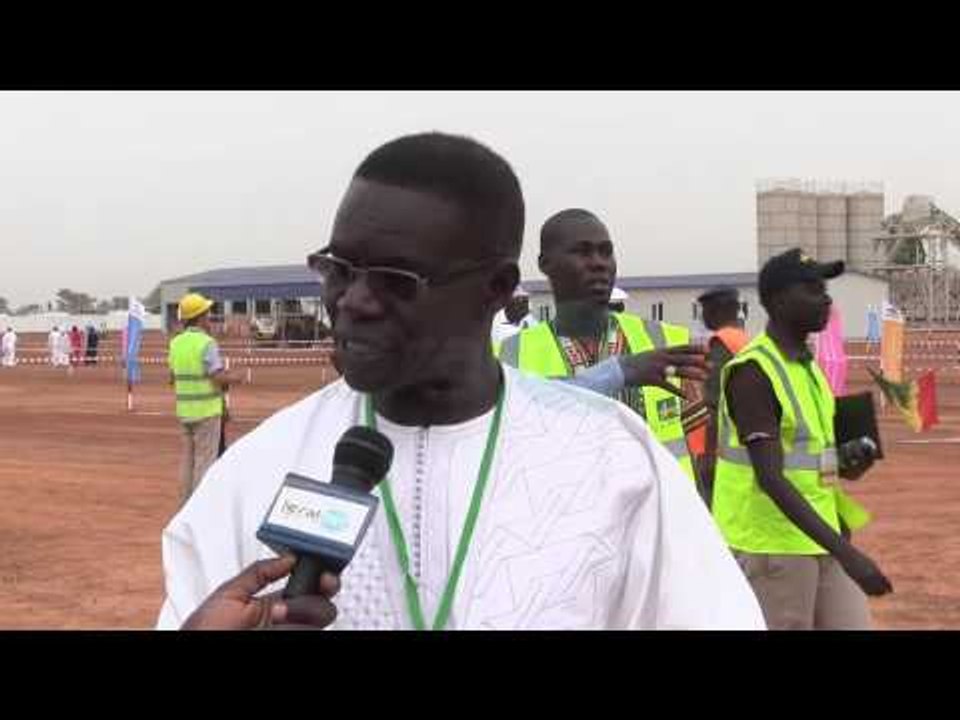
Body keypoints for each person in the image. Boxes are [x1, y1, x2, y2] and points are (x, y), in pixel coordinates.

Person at [159, 133, 764, 631]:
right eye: (339, 269)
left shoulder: (615, 463)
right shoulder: (257, 471)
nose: (354, 303)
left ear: (497, 289)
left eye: (397, 279)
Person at [712, 248, 892, 630]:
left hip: (820, 535)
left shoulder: (808, 369)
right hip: (772, 546)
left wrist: (850, 463)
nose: (826, 298)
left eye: (825, 288)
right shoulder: (753, 372)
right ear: (777, 301)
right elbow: (771, 477)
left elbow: (811, 461)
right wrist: (849, 555)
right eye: (811, 288)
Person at [498, 208, 705, 482]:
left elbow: (700, 455)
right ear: (545, 263)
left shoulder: (669, 343)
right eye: (582, 252)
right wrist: (618, 372)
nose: (599, 263)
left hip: (658, 517)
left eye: (606, 252)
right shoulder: (508, 356)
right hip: (567, 519)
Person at [167, 292, 235, 506]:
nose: (210, 317)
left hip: (185, 412)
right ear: (201, 316)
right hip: (207, 412)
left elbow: (172, 378)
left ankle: (184, 507)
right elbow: (217, 377)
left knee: (187, 463)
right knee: (205, 464)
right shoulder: (207, 343)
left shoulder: (175, 343)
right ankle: (199, 510)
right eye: (208, 313)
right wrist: (235, 379)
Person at [686, 286, 749, 506]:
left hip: (717, 444)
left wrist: (708, 454)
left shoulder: (721, 342)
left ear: (719, 310)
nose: (703, 316)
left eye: (706, 310)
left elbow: (713, 401)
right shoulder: (743, 340)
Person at [490, 285, 537, 349]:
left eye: (525, 299)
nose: (524, 303)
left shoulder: (529, 318)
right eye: (519, 299)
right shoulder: (496, 321)